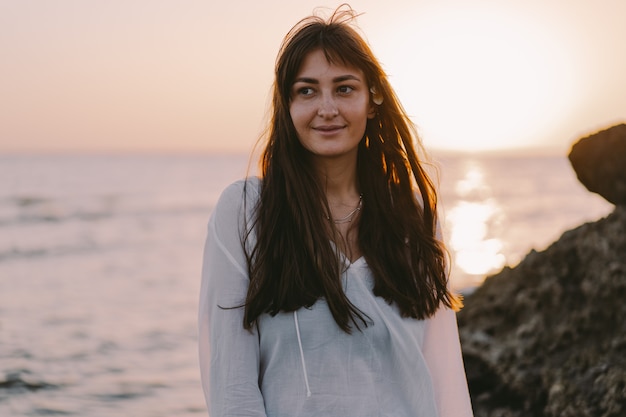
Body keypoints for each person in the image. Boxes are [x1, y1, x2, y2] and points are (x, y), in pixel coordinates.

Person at [199, 5, 473, 417]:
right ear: (287, 106)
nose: (326, 108)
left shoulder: (412, 214)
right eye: (306, 90)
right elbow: (231, 387)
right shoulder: (245, 211)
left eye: (344, 88)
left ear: (373, 98)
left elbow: (443, 374)